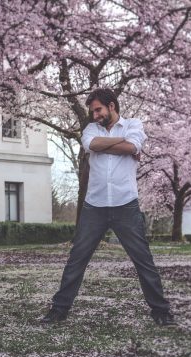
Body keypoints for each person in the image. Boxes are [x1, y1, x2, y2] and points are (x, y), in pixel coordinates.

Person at [41, 88, 176, 326]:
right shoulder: (91, 129)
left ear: (111, 105)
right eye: (92, 111)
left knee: (143, 259)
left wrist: (115, 145)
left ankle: (161, 312)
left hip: (126, 204)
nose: (94, 115)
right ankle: (58, 310)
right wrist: (121, 143)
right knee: (77, 259)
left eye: (98, 109)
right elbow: (93, 144)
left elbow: (132, 147)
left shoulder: (134, 124)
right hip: (95, 205)